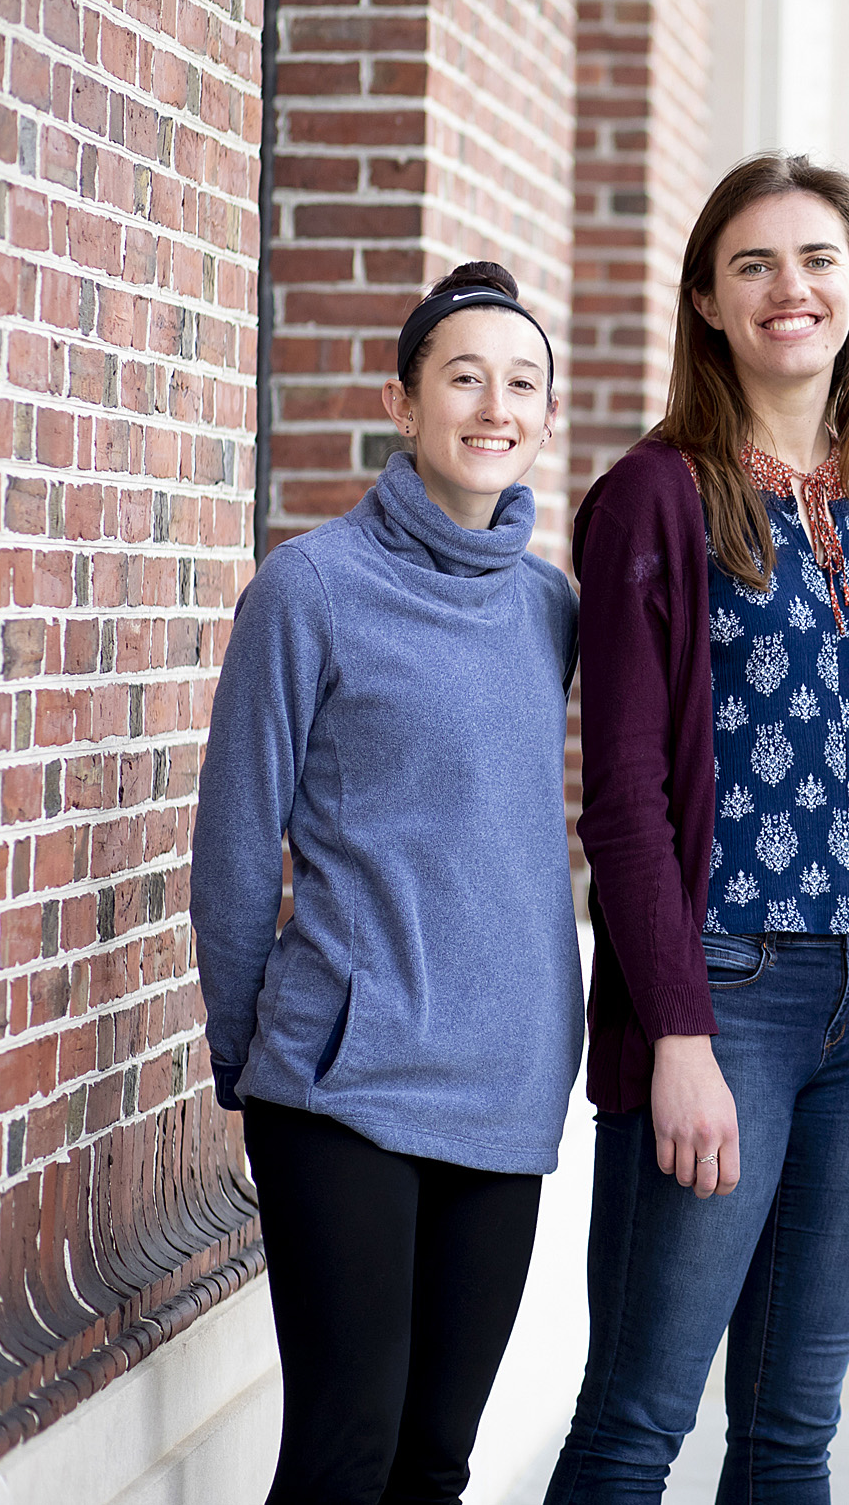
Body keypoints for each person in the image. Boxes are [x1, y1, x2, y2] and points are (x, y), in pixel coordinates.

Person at [545, 153, 849, 1502]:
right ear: (710, 304)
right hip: (726, 990)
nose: (793, 286)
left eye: (819, 258)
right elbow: (621, 796)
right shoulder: (653, 498)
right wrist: (676, 1034)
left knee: (795, 1425)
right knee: (638, 1416)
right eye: (755, 264)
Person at [192, 262, 580, 1505]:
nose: (493, 404)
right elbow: (238, 848)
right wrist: (248, 1048)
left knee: (435, 1463)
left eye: (521, 382)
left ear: (545, 415)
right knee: (341, 1457)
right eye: (462, 376)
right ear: (401, 404)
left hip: (505, 1086)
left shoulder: (549, 607)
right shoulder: (308, 589)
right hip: (342, 1087)